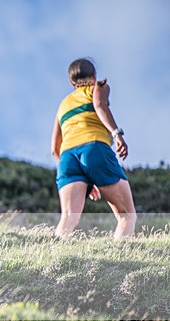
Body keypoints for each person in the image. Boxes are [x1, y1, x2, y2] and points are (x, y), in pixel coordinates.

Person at [51, 58, 136, 239]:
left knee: (68, 218)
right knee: (127, 216)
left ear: (71, 82)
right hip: (94, 148)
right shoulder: (98, 86)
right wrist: (116, 133)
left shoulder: (63, 105)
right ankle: (122, 264)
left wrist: (86, 175)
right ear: (94, 75)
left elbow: (54, 149)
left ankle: (53, 262)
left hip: (67, 158)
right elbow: (99, 105)